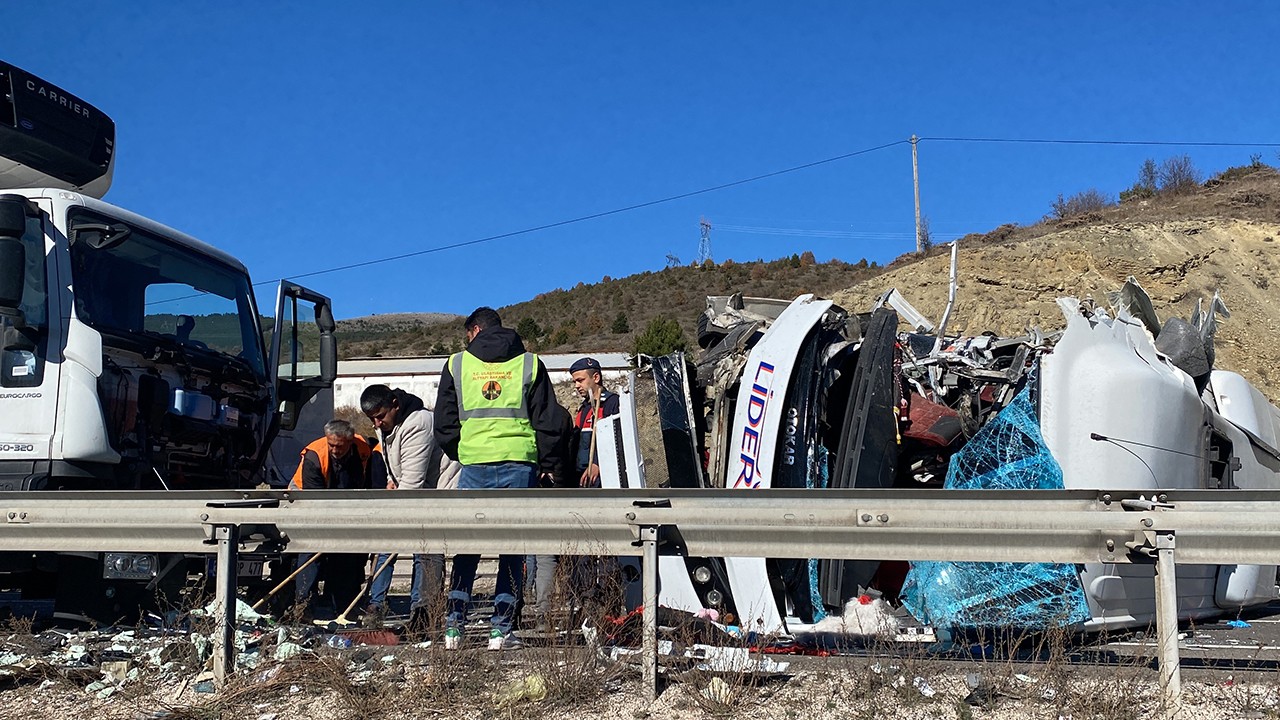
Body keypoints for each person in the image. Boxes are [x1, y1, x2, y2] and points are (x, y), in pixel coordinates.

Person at [434, 307, 563, 650]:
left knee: (468, 545)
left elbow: (444, 423)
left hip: (474, 463)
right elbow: (548, 420)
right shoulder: (529, 364)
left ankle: (453, 628)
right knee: (513, 547)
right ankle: (499, 630)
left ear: (474, 330)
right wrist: (547, 463)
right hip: (519, 463)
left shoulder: (457, 364)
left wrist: (463, 450)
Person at [360, 384, 460, 631]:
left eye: (380, 416)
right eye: (372, 419)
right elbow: (394, 464)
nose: (376, 424)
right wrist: (390, 481)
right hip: (412, 492)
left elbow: (413, 481)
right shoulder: (387, 425)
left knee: (426, 551)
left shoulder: (418, 423)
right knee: (387, 547)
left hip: (436, 495)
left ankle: (423, 612)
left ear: (395, 404)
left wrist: (397, 501)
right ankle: (376, 606)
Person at [288, 419, 374, 618]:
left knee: (347, 554)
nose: (335, 449)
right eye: (331, 444)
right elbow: (314, 499)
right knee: (311, 552)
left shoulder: (363, 450)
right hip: (307, 504)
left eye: (340, 446)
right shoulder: (314, 456)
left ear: (350, 442)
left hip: (342, 507)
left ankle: (341, 604)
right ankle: (303, 605)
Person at [569, 357, 620, 488]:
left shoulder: (612, 403)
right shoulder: (584, 408)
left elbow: (616, 439)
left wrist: (597, 463)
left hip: (604, 476)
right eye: (575, 381)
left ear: (596, 377)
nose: (577, 386)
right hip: (582, 476)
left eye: (580, 380)